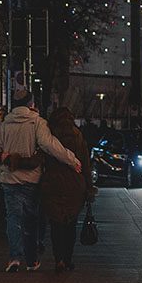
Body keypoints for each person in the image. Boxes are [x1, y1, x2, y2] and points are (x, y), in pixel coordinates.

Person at [0, 91, 81, 272]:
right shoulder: (37, 123)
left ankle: (14, 257)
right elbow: (50, 145)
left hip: (9, 179)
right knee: (31, 220)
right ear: (30, 103)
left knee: (13, 218)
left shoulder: (4, 126)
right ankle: (31, 260)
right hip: (31, 179)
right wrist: (72, 160)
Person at [43, 108, 94, 272]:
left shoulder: (49, 135)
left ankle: (58, 259)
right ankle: (68, 258)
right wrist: (89, 186)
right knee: (70, 223)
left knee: (56, 223)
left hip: (54, 183)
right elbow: (85, 163)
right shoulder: (77, 135)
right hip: (74, 184)